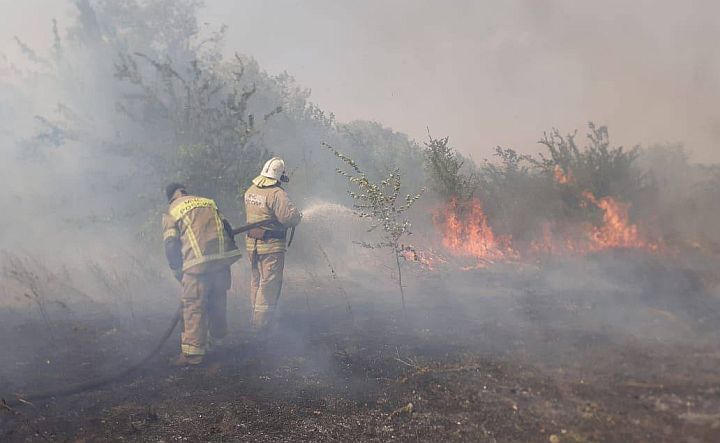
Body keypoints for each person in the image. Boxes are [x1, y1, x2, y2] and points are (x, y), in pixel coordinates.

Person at [162, 183, 242, 365]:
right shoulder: (208, 202)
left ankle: (192, 354)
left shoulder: (171, 211)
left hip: (197, 265)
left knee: (193, 306)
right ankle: (218, 341)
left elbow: (171, 244)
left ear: (170, 197)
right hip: (221, 261)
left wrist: (177, 271)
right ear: (184, 192)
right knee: (217, 301)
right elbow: (228, 229)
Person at [244, 157, 302, 334]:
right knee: (268, 285)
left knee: (256, 282)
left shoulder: (251, 190)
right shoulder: (277, 194)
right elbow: (288, 218)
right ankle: (261, 326)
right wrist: (297, 216)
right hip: (270, 247)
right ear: (279, 175)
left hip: (252, 246)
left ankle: (255, 318)